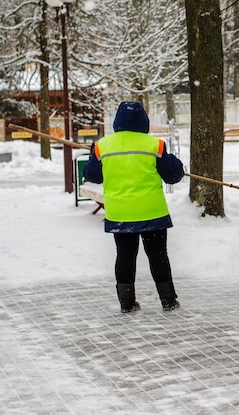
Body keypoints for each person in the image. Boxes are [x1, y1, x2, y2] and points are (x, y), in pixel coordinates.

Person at [84, 101, 184, 313]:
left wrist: (95, 156)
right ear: (143, 121)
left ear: (117, 121)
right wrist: (174, 162)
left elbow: (92, 175)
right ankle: (168, 300)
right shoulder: (154, 145)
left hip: (120, 213)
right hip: (152, 213)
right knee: (158, 255)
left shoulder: (103, 146)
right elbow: (173, 176)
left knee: (125, 256)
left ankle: (127, 303)